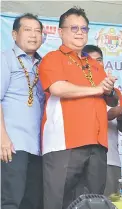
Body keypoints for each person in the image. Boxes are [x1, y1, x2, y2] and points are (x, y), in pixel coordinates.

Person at [38, 7, 118, 209]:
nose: (80, 32)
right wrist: (97, 89)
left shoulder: (95, 64)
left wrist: (108, 90)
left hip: (97, 143)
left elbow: (112, 101)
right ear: (60, 32)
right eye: (74, 28)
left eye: (84, 28)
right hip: (65, 143)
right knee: (58, 201)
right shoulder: (52, 58)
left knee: (94, 202)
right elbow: (57, 88)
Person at [1, 13, 44, 209]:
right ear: (14, 34)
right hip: (12, 145)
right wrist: (2, 138)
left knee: (33, 202)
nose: (34, 35)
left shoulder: (44, 65)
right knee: (11, 201)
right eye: (27, 30)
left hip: (38, 148)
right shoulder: (5, 59)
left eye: (38, 31)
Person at [82, 44, 122, 196]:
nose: (97, 63)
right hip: (84, 159)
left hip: (111, 160)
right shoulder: (79, 89)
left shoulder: (115, 92)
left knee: (109, 202)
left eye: (100, 59)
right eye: (91, 59)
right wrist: (114, 112)